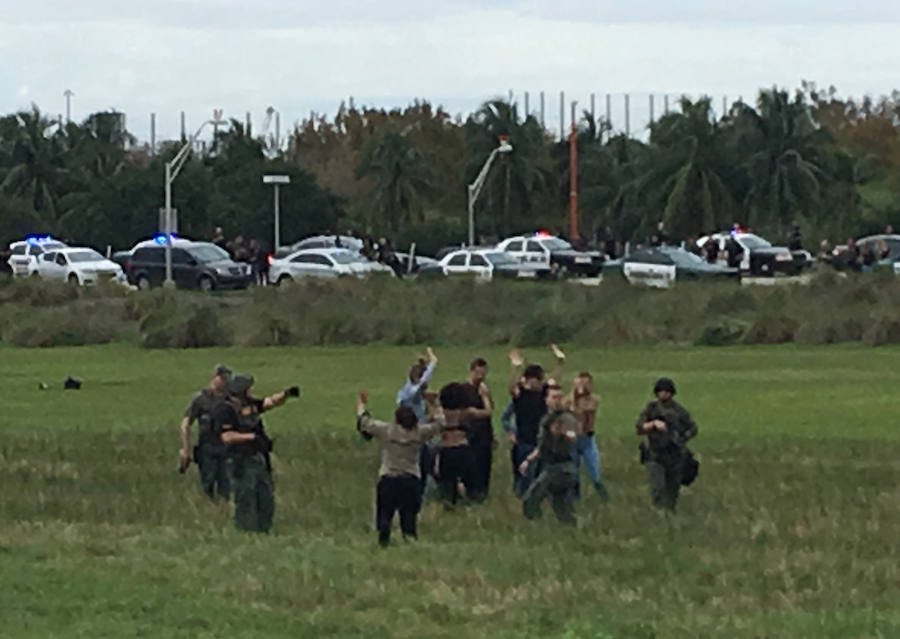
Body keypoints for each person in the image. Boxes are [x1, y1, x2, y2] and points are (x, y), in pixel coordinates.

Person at [213, 374, 299, 532]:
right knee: (245, 498)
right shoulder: (224, 409)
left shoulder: (249, 404)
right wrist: (252, 437)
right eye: (248, 388)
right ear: (240, 391)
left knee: (265, 497)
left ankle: (264, 529)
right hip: (240, 461)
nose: (251, 391)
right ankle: (246, 531)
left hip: (258, 459)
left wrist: (285, 394)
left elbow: (268, 403)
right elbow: (226, 436)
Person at [356, 391, 442, 546]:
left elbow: (364, 422)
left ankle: (384, 541)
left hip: (388, 478)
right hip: (410, 479)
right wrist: (433, 405)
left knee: (384, 516)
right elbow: (440, 424)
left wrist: (361, 404)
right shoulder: (419, 433)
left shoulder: (387, 430)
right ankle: (410, 544)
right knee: (409, 519)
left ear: (396, 419)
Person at [507, 344, 566, 497]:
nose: (539, 383)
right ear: (527, 380)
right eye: (535, 380)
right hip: (524, 442)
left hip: (540, 442)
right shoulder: (521, 395)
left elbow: (555, 379)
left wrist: (560, 362)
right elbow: (511, 387)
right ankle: (520, 498)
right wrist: (514, 367)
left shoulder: (543, 393)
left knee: (539, 476)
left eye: (540, 380)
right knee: (522, 475)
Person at [519, 383, 581, 525]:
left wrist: (567, 434)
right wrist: (528, 461)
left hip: (560, 468)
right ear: (546, 399)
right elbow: (542, 447)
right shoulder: (547, 419)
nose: (557, 400)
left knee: (530, 499)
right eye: (554, 397)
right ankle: (570, 530)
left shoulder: (565, 418)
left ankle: (535, 527)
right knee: (561, 505)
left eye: (559, 397)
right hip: (553, 466)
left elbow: (571, 432)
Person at [635, 378, 698, 513]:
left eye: (666, 392)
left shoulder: (679, 411)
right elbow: (639, 428)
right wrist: (653, 424)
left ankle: (670, 514)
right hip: (655, 454)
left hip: (674, 456)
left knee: (672, 490)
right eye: (660, 391)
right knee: (657, 486)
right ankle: (659, 513)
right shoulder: (651, 408)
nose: (663, 394)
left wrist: (681, 439)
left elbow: (693, 428)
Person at [179, 364, 231, 499]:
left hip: (226, 447)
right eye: (222, 378)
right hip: (207, 446)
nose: (224, 382)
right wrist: (185, 449)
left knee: (226, 485)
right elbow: (186, 423)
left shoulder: (230, 400)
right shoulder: (200, 399)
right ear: (214, 378)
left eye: (226, 379)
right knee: (207, 483)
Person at [396, 348, 439, 496]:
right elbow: (422, 382)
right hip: (413, 437)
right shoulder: (410, 393)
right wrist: (433, 363)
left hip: (421, 435)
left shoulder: (408, 392)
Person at [565, 372, 610, 501]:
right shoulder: (568, 401)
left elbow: (586, 410)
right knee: (573, 471)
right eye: (579, 383)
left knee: (594, 472)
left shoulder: (593, 400)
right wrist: (573, 398)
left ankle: (604, 497)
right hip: (573, 440)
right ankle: (575, 498)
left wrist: (576, 401)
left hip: (587, 439)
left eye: (585, 383)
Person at [436, 382, 476, 507]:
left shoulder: (440, 413)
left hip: (447, 449)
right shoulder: (466, 413)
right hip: (463, 447)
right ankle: (467, 498)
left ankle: (450, 501)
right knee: (468, 478)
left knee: (447, 482)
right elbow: (486, 412)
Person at [461, 358, 494, 501]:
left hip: (484, 435)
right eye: (478, 373)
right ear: (471, 371)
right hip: (469, 434)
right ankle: (470, 493)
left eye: (483, 374)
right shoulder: (463, 390)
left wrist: (485, 396)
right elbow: (469, 412)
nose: (480, 377)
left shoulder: (483, 390)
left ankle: (483, 493)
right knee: (471, 465)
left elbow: (489, 411)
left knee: (484, 465)